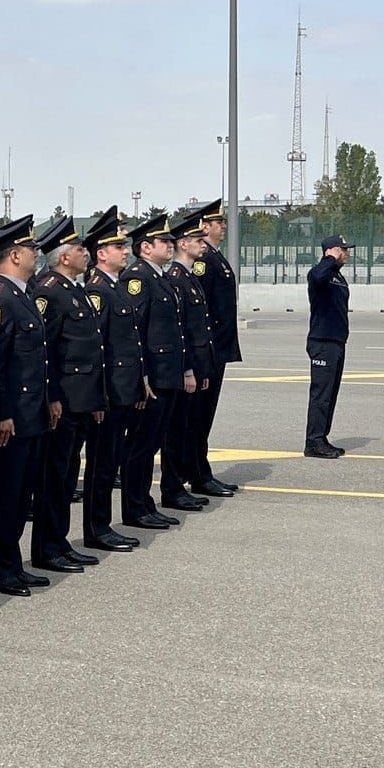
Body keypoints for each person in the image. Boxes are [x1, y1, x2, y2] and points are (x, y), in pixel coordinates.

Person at [29, 216, 106, 573]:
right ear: (63, 256)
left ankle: (59, 542)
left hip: (80, 399)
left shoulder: (73, 288)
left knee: (66, 475)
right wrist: (53, 396)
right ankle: (47, 547)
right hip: (63, 400)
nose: (86, 253)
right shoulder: (48, 290)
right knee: (53, 477)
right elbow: (46, 351)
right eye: (79, 248)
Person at [0, 216, 52, 596]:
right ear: (13, 255)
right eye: (32, 250)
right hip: (13, 416)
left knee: (22, 493)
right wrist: (3, 412)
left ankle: (13, 563)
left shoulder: (23, 294)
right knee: (5, 495)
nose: (37, 255)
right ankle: (0, 569)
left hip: (31, 413)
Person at [82, 206, 145, 554]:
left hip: (122, 391)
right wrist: (101, 396)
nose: (125, 251)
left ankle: (102, 524)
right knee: (102, 464)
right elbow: (98, 348)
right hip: (108, 395)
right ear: (101, 253)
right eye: (118, 246)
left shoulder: (116, 287)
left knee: (111, 461)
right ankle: (97, 527)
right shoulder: (98, 292)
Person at [118, 216, 183, 530]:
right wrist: (141, 379)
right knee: (140, 446)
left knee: (152, 443)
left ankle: (144, 502)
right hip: (152, 378)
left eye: (171, 241)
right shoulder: (138, 278)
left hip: (166, 373)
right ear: (145, 247)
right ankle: (134, 507)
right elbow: (135, 331)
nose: (170, 246)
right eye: (164, 242)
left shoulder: (160, 277)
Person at [166, 213, 224, 499]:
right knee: (180, 427)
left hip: (200, 364)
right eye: (198, 240)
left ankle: (185, 479)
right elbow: (182, 331)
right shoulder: (177, 279)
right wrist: (189, 369)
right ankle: (175, 484)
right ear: (184, 244)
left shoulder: (188, 277)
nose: (203, 243)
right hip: (188, 367)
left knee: (193, 423)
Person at [193, 200, 241, 495]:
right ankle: (198, 472)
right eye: (217, 222)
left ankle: (200, 469)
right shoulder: (204, 261)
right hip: (207, 350)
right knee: (198, 416)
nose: (223, 226)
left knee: (204, 415)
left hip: (217, 348)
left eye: (223, 222)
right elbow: (200, 309)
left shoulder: (215, 257)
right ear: (204, 227)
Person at [305, 235, 354, 458]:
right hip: (322, 342)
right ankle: (313, 442)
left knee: (330, 394)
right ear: (332, 251)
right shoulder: (320, 273)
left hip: (336, 342)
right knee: (321, 394)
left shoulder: (337, 277)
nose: (347, 253)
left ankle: (322, 437)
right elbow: (316, 277)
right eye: (343, 249)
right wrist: (329, 260)